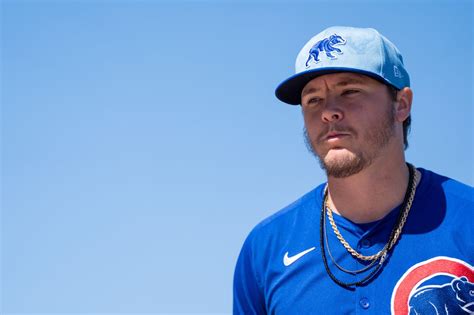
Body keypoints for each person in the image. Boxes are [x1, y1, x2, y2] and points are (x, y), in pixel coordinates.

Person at [233, 26, 474, 314]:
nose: (328, 111)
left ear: (401, 104)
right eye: (313, 99)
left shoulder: (466, 220)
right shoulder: (266, 249)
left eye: (349, 91)